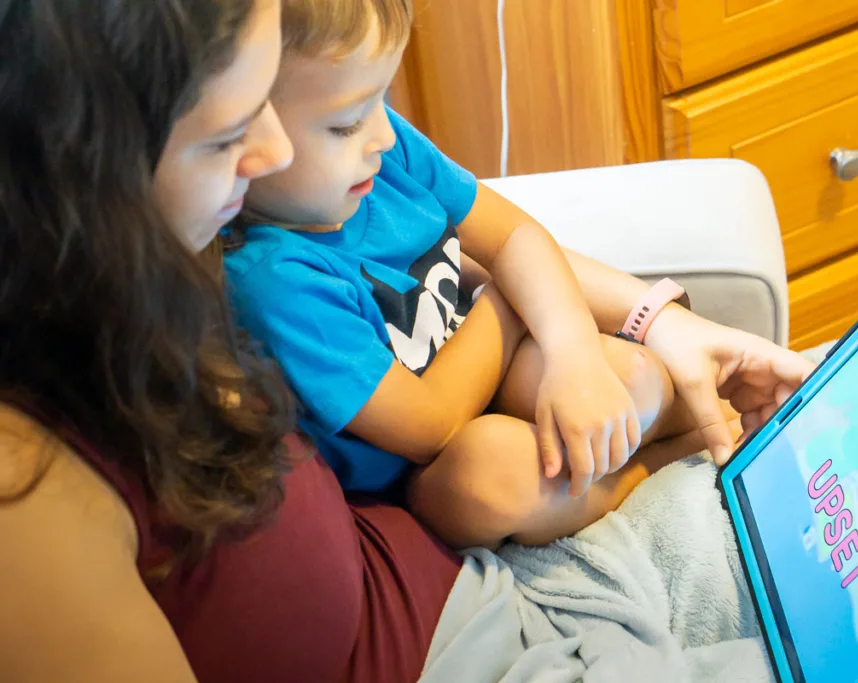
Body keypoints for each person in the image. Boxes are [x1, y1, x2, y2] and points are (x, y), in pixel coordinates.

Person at [0, 0, 822, 681]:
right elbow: (447, 374)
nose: (273, 153)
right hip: (482, 575)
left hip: (498, 576)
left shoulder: (184, 253)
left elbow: (495, 239)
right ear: (88, 175)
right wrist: (507, 299)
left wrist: (657, 323)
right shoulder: (42, 489)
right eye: (228, 137)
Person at [224, 0, 814, 548]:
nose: (383, 134)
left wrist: (575, 354)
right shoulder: (276, 278)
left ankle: (742, 416)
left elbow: (516, 237)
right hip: (428, 471)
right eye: (346, 122)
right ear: (244, 136)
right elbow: (430, 425)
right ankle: (649, 473)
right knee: (491, 474)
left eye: (383, 99)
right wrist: (505, 300)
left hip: (491, 365)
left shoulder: (383, 153)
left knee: (625, 372)